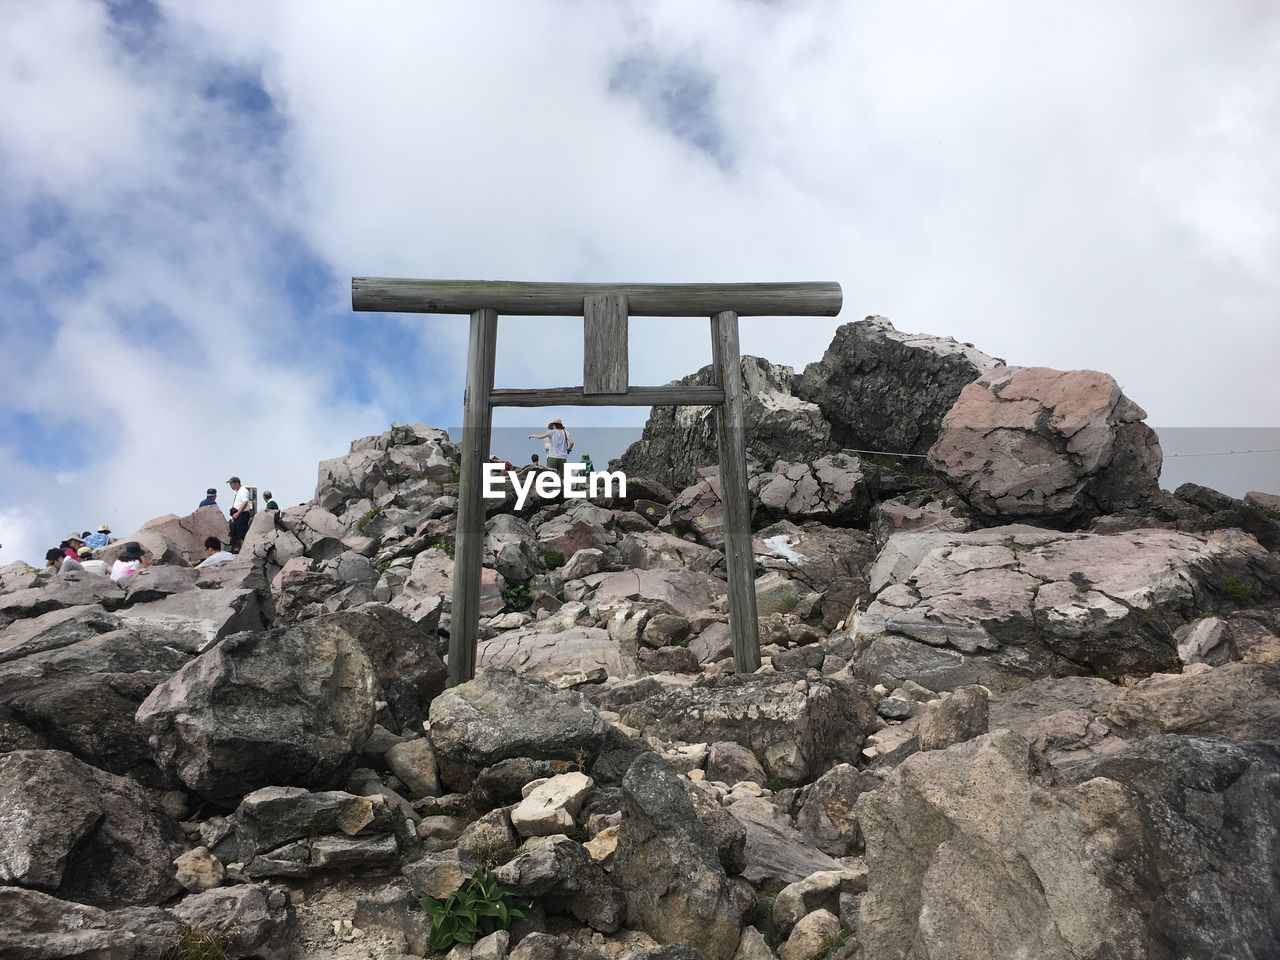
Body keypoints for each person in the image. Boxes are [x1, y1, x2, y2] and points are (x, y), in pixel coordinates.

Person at [227, 476, 253, 552]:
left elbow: (245, 502)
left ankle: (245, 551)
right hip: (237, 515)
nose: (230, 486)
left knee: (242, 533)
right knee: (236, 534)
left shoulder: (243, 491)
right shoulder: (237, 492)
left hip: (242, 514)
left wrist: (238, 513)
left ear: (236, 483)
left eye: (231, 484)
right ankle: (239, 550)